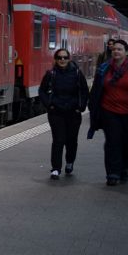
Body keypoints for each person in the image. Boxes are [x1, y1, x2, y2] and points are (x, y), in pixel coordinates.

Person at [88, 40, 128, 185]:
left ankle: (123, 169)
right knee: (112, 142)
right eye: (114, 49)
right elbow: (96, 88)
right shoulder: (104, 68)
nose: (116, 51)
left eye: (119, 49)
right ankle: (112, 173)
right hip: (109, 111)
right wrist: (92, 106)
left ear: (126, 52)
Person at [39, 48, 89, 180]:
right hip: (56, 112)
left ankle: (69, 161)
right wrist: (49, 105)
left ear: (69, 59)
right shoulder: (51, 74)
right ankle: (56, 168)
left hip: (73, 112)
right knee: (58, 140)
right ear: (55, 59)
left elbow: (84, 90)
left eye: (65, 57)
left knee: (71, 141)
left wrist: (81, 107)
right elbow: (42, 90)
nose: (62, 60)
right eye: (60, 58)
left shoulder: (77, 73)